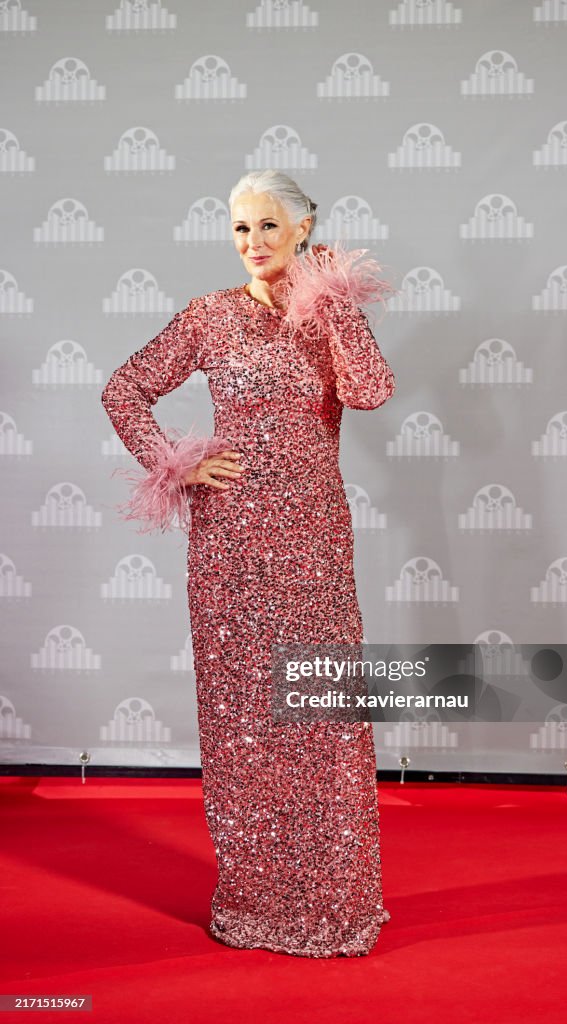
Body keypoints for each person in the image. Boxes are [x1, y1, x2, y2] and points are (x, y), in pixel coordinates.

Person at [101, 169, 396, 958]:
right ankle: (253, 899)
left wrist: (336, 301)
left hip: (313, 541)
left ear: (303, 229)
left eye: (267, 225)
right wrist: (176, 463)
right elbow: (123, 390)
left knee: (321, 712)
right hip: (229, 538)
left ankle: (334, 904)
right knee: (240, 719)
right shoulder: (208, 315)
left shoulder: (328, 314)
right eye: (239, 228)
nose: (252, 242)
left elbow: (370, 391)